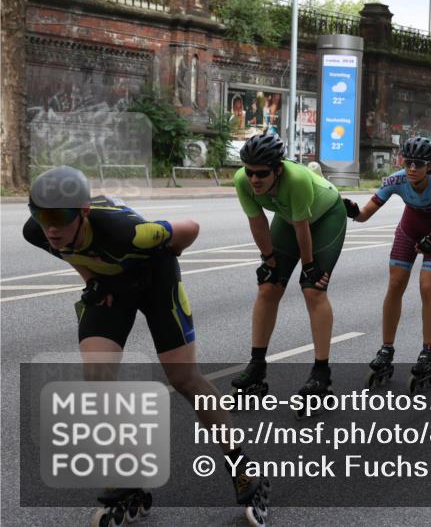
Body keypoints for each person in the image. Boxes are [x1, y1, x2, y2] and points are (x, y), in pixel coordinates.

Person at [22, 166, 269, 524]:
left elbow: (191, 230)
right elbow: (71, 251)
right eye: (41, 216)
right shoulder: (38, 232)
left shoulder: (129, 232)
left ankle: (242, 467)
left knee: (184, 379)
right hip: (112, 285)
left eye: (59, 217)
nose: (51, 228)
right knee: (97, 377)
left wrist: (171, 249)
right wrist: (93, 280)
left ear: (84, 212)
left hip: (156, 279)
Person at [229, 134, 348, 412]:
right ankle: (256, 366)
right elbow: (257, 222)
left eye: (262, 173)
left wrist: (309, 266)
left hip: (326, 216)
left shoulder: (295, 179)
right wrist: (268, 260)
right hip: (289, 218)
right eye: (249, 172)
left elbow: (302, 229)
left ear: (278, 170)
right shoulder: (242, 181)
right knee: (268, 287)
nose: (254, 179)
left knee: (313, 289)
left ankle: (321, 374)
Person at [344, 137, 431, 392]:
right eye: (408, 162)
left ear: (428, 166)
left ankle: (427, 352)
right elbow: (365, 214)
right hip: (408, 231)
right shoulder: (396, 180)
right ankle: (386, 349)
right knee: (396, 284)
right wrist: (353, 210)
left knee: (426, 287)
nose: (412, 168)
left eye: (419, 164)